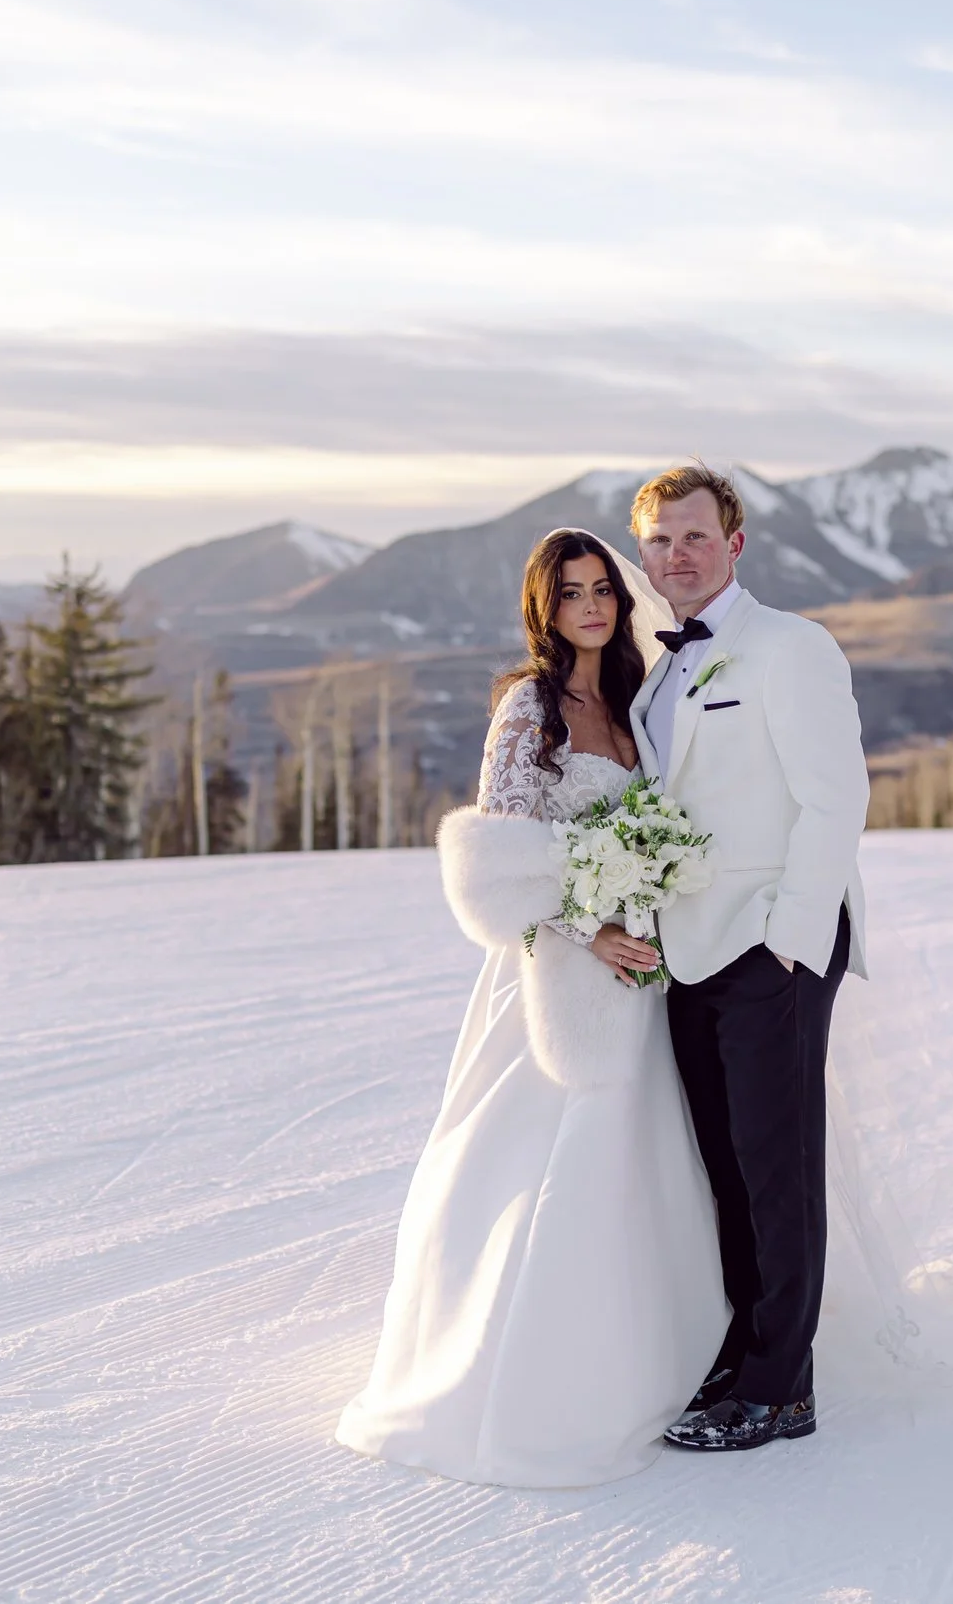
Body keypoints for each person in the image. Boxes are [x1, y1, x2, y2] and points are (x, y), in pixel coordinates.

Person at [334, 529, 727, 1488]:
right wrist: (588, 927)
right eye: (572, 592)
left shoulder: (639, 700)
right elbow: (498, 859)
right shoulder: (529, 706)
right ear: (543, 608)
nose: (592, 605)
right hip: (553, 969)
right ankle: (517, 1371)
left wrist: (651, 895)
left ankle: (653, 1354)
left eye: (603, 589)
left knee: (639, 1157)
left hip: (640, 972)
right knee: (527, 1159)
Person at [624, 464, 873, 1453]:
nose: (676, 554)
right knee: (727, 1171)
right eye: (658, 539)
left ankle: (782, 1388)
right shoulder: (659, 668)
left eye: (695, 535)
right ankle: (744, 1350)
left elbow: (835, 799)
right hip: (688, 948)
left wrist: (790, 941)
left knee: (780, 1170)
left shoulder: (791, 646)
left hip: (774, 941)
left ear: (734, 544)